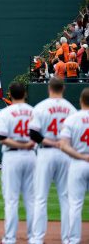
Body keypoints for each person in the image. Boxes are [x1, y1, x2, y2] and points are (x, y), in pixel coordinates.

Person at [28, 78, 74, 244]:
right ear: (64, 88)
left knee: (40, 197)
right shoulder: (71, 109)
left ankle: (37, 239)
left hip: (46, 154)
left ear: (49, 88)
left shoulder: (41, 107)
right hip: (65, 154)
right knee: (65, 197)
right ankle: (67, 239)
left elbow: (33, 134)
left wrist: (51, 142)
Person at [0, 82, 36, 244]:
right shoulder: (34, 111)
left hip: (12, 158)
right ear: (25, 94)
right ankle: (34, 237)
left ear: (10, 95)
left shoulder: (5, 113)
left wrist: (20, 144)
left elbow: (1, 138)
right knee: (31, 199)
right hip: (31, 157)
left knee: (11, 199)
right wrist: (27, 144)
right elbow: (38, 135)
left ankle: (10, 237)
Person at [59, 87, 89, 244]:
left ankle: (74, 240)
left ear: (81, 100)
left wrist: (82, 157)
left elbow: (64, 146)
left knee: (75, 204)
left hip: (78, 163)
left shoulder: (72, 119)